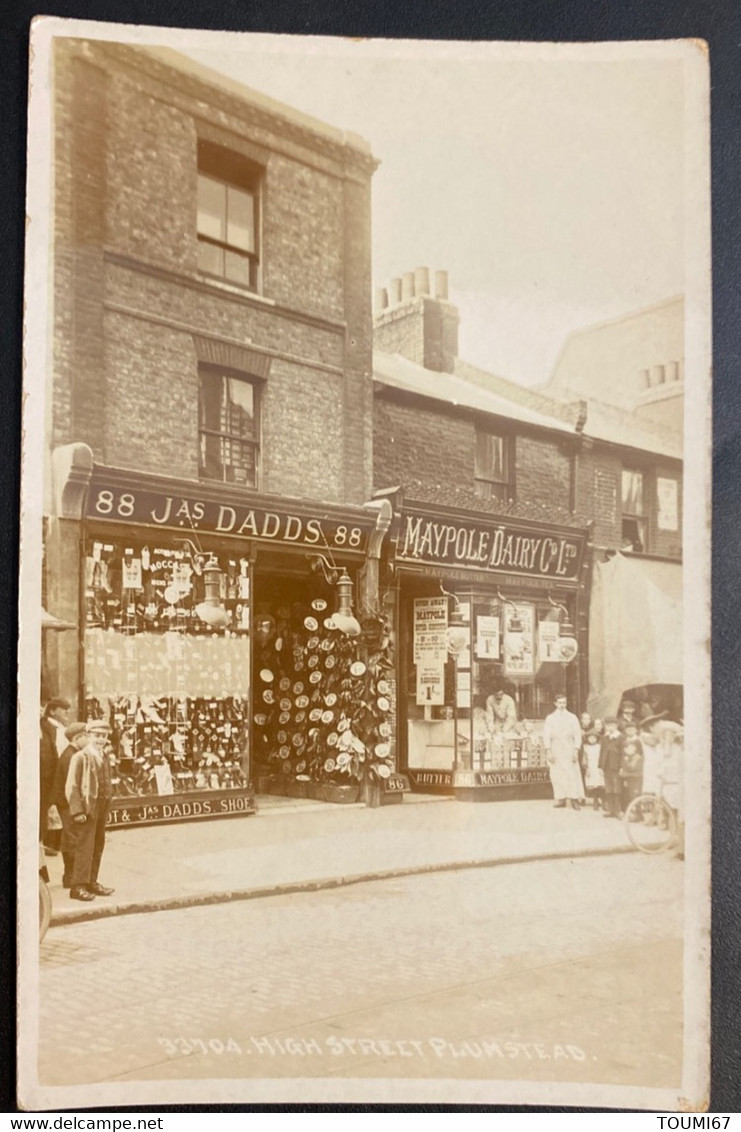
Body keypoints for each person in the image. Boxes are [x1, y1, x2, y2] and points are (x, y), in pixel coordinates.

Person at [65, 720, 115, 902]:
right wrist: (77, 810)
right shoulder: (80, 757)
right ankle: (78, 886)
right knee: (84, 846)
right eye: (97, 736)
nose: (100, 740)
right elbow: (71, 786)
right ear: (88, 736)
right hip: (87, 808)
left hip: (101, 806)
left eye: (104, 736)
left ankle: (91, 881)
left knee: (97, 844)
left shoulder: (105, 756)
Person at [51, 722, 88, 888]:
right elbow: (72, 785)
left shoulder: (71, 753)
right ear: (77, 738)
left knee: (70, 838)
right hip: (67, 803)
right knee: (72, 839)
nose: (88, 739)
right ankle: (71, 877)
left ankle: (69, 877)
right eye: (85, 736)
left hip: (66, 802)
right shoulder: (71, 756)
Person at [39, 697, 70, 855]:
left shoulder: (59, 727)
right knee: (49, 809)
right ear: (52, 711)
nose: (67, 712)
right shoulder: (47, 727)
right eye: (63, 709)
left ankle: (53, 844)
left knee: (54, 811)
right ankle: (48, 844)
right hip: (51, 776)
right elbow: (49, 755)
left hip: (58, 774)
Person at [542, 694, 584, 810]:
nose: (562, 705)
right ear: (555, 703)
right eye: (560, 703)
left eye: (564, 703)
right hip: (556, 749)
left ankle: (574, 799)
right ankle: (561, 798)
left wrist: (576, 750)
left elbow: (577, 735)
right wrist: (548, 751)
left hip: (569, 748)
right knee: (557, 774)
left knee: (572, 773)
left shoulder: (572, 717)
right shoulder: (550, 718)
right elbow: (546, 736)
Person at [599, 716, 623, 817]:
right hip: (606, 766)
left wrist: (622, 766)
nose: (610, 727)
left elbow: (622, 753)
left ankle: (618, 810)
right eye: (608, 725)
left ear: (616, 725)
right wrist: (600, 766)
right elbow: (602, 751)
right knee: (608, 787)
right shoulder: (605, 737)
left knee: (616, 787)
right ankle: (610, 810)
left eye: (612, 725)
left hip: (616, 766)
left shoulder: (621, 737)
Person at [619, 721, 644, 815]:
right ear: (625, 731)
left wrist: (634, 763)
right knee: (628, 792)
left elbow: (640, 756)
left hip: (636, 771)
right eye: (628, 730)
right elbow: (622, 756)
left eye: (632, 729)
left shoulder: (638, 742)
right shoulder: (624, 742)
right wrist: (622, 767)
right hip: (627, 771)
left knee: (636, 792)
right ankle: (630, 811)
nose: (630, 731)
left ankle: (638, 813)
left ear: (636, 730)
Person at [581, 729, 605, 810]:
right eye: (590, 738)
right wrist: (586, 768)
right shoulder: (586, 748)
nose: (592, 740)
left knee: (600, 784)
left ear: (597, 739)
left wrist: (602, 767)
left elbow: (602, 757)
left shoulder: (599, 747)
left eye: (594, 738)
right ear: (587, 739)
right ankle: (595, 800)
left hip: (598, 767)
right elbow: (584, 759)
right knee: (593, 785)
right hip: (591, 767)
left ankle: (602, 801)